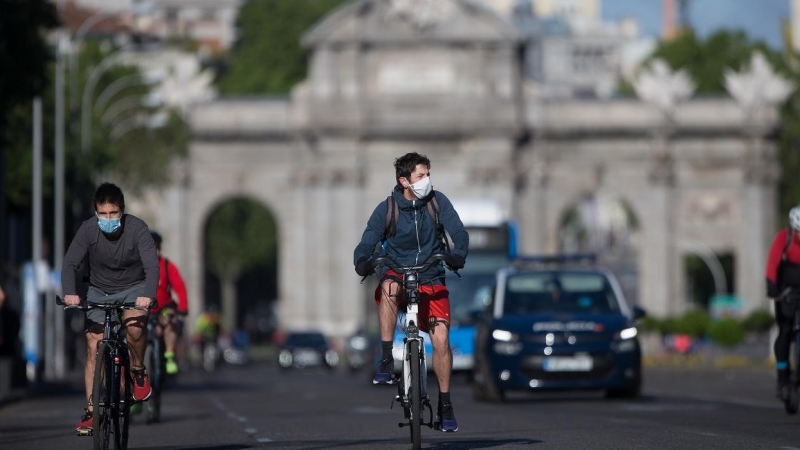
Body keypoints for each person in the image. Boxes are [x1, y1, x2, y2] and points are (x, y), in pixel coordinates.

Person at [353, 152, 468, 433]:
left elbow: (459, 232)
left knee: (441, 339)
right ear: (404, 180)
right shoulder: (387, 209)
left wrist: (458, 254)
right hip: (397, 272)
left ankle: (445, 402)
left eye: (428, 174)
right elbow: (367, 240)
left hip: (431, 275)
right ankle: (384, 357)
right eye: (420, 176)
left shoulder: (438, 203)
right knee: (389, 286)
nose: (426, 180)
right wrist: (362, 260)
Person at [62, 182, 159, 433]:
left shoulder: (137, 228)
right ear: (96, 213)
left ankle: (137, 371)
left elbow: (151, 265)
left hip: (134, 288)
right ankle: (91, 411)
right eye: (102, 214)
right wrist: (71, 293)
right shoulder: (87, 231)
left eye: (113, 213)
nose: (108, 219)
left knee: (135, 328)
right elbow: (71, 263)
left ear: (122, 211)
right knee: (94, 347)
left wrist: (147, 295)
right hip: (98, 289)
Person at [765, 205, 800, 400]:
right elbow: (772, 264)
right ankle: (783, 376)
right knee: (785, 331)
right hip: (786, 290)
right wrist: (772, 288)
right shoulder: (784, 238)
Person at [150, 231, 188, 375]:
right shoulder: (136, 266)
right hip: (143, 307)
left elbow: (180, 287)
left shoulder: (167, 266)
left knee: (170, 324)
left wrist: (183, 307)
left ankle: (169, 355)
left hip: (164, 306)